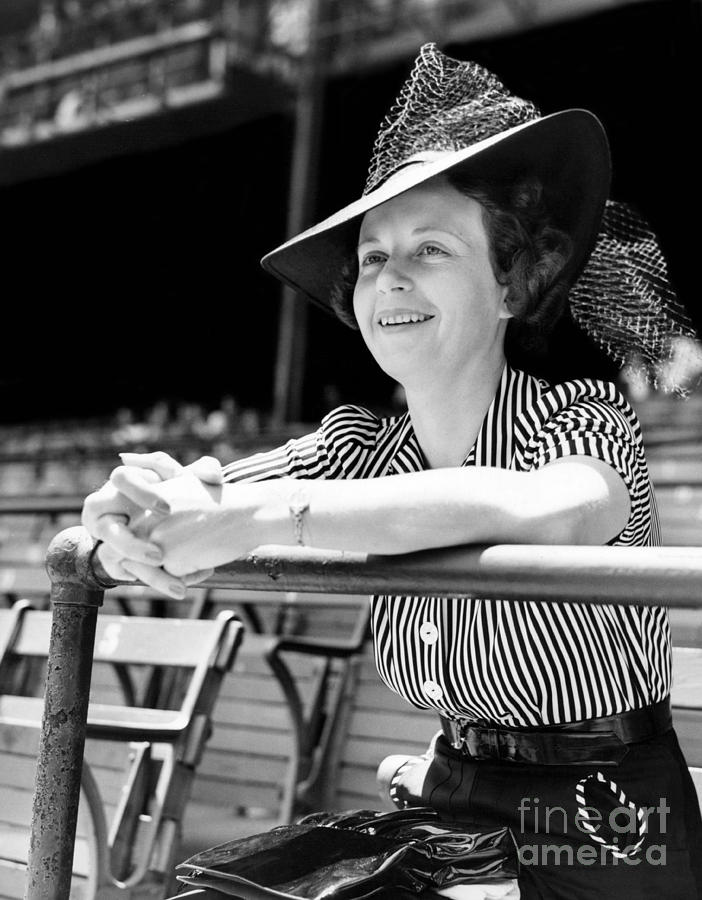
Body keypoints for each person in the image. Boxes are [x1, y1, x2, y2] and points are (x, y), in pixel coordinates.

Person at [81, 44, 702, 899]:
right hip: (456, 795)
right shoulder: (356, 448)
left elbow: (553, 512)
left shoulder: (581, 418)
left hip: (604, 819)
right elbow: (211, 494)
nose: (391, 279)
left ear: (514, 285)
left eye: (432, 250)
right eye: (373, 257)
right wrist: (136, 510)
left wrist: (261, 519)